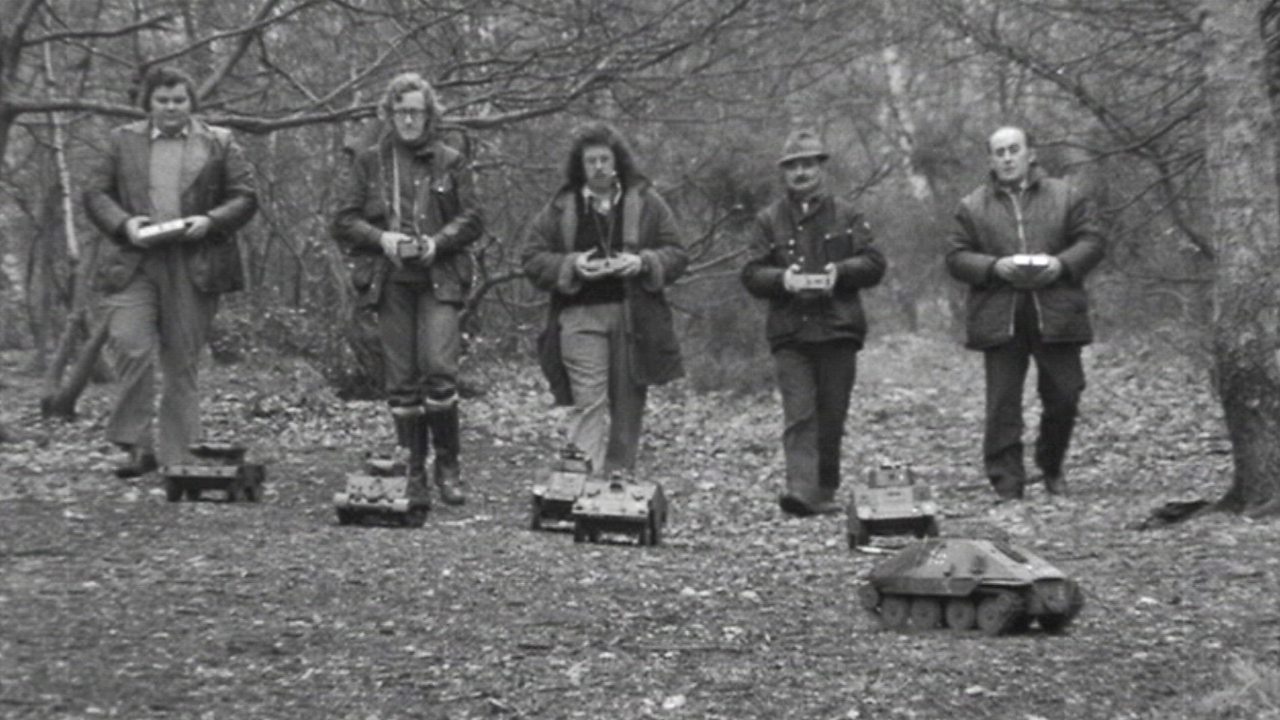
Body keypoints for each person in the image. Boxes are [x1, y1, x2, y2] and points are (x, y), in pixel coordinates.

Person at [84, 65, 258, 478]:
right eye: (162, 100)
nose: (171, 108)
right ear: (149, 103)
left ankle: (180, 456)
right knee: (130, 344)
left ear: (191, 102)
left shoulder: (219, 143)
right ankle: (134, 445)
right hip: (135, 260)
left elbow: (246, 195)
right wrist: (125, 224)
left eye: (179, 100)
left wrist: (212, 221)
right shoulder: (121, 141)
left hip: (194, 261)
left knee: (181, 359)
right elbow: (94, 192)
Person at [332, 72, 483, 506]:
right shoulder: (369, 161)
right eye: (401, 111)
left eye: (416, 111)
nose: (409, 119)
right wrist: (382, 239)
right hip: (389, 279)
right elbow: (343, 219)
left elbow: (473, 217)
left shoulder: (450, 160)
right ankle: (412, 467)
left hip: (440, 277)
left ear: (430, 114)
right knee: (400, 380)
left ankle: (448, 466)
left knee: (438, 365)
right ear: (389, 114)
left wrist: (437, 242)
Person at [945, 125, 1106, 501]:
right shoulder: (972, 205)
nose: (1007, 158)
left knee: (1065, 395)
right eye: (999, 152)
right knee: (1002, 403)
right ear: (990, 160)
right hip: (1000, 314)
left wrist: (1061, 265)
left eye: (1013, 150)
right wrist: (992, 267)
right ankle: (1007, 482)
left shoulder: (1066, 196)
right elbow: (955, 256)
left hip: (1058, 311)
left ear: (1030, 153)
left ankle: (1051, 464)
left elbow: (1093, 240)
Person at [521, 122, 687, 477]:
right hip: (579, 316)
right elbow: (532, 258)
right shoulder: (560, 208)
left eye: (604, 159)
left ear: (617, 161)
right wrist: (571, 264)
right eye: (590, 160)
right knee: (588, 401)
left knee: (628, 401)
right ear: (580, 166)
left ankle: (617, 480)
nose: (598, 166)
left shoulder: (645, 201)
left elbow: (677, 252)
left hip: (633, 317)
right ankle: (582, 480)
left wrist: (643, 262)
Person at [741, 129, 887, 517]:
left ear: (821, 168)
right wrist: (783, 280)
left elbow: (875, 264)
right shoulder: (768, 220)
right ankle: (801, 490)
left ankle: (824, 487)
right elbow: (752, 272)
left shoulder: (849, 214)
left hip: (839, 328)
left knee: (832, 413)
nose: (801, 173)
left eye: (808, 164)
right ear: (783, 173)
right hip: (791, 330)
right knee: (799, 411)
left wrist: (838, 273)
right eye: (793, 166)